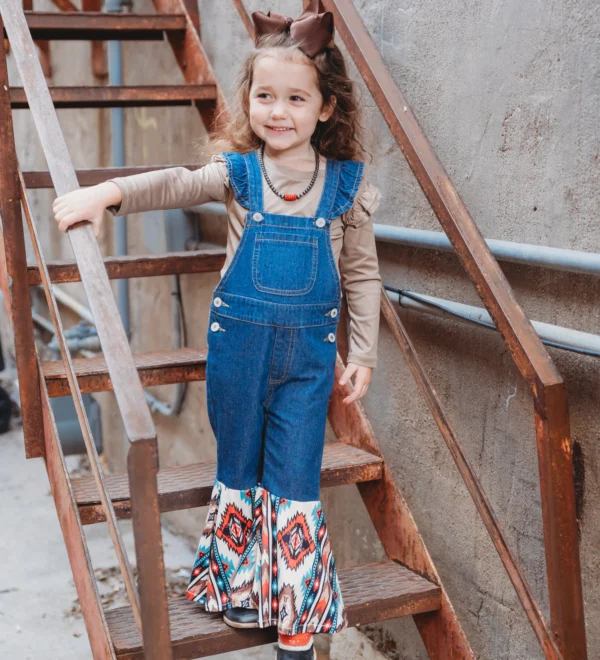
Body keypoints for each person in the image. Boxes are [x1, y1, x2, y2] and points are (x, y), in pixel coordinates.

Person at [52, 2, 382, 657]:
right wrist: (106, 194)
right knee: (239, 466)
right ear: (248, 102)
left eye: (295, 97)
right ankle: (236, 585)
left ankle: (295, 615)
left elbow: (363, 276)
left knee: (294, 474)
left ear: (325, 109)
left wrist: (364, 353)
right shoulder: (239, 175)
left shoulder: (345, 188)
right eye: (264, 96)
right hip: (238, 348)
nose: (277, 110)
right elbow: (176, 181)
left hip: (310, 361)